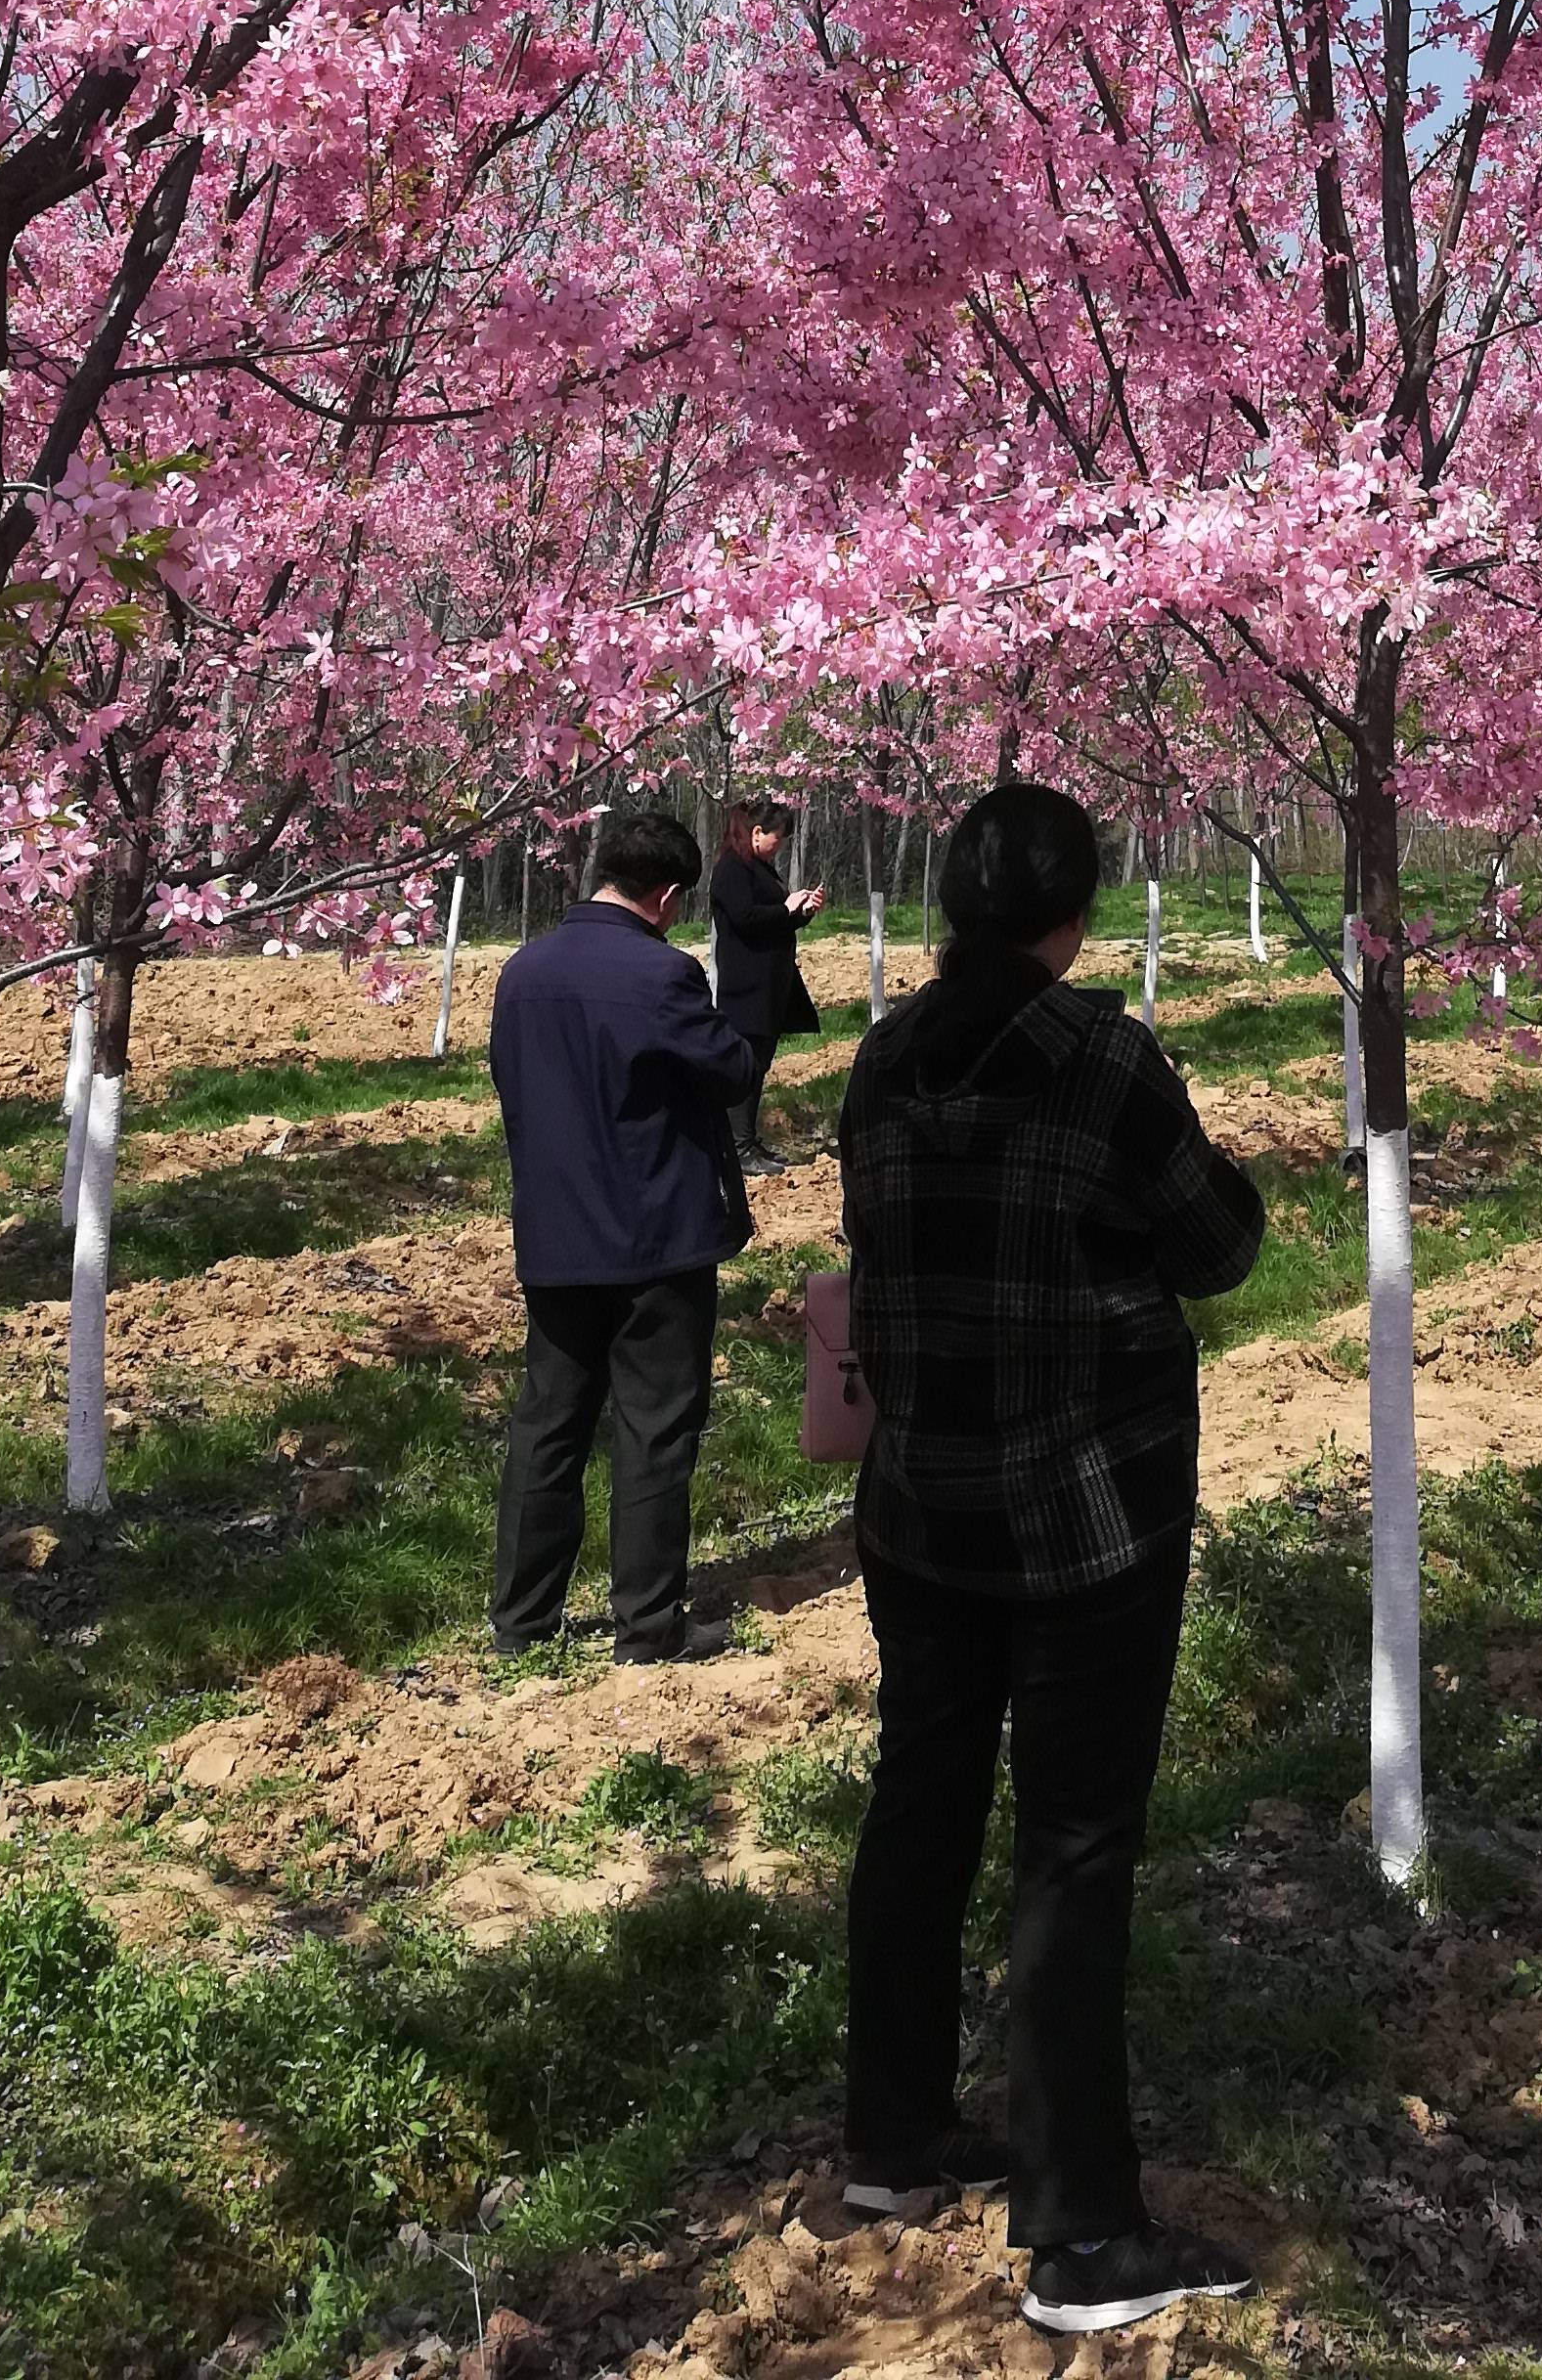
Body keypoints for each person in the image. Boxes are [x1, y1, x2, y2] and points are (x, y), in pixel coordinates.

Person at [835, 778, 1265, 2339]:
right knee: (1075, 1846)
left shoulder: (882, 1058)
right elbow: (1219, 1245)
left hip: (918, 1510)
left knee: (922, 1802)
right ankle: (1082, 2237)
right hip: (1088, 1516)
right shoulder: (1103, 1061)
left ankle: (890, 2133)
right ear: (1073, 913)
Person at [485, 793, 751, 1661]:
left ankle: (522, 1623)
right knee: (655, 1425)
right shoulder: (661, 973)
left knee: (548, 1426)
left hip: (557, 1234)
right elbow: (729, 1068)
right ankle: (647, 1625)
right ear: (669, 898)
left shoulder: (523, 972)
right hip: (655, 1236)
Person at [707, 791, 825, 1171]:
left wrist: (800, 912)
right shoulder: (731, 869)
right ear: (757, 832)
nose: (781, 846)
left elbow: (773, 919)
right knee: (747, 1066)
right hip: (747, 987)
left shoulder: (757, 868)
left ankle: (748, 1142)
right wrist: (784, 908)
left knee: (760, 1065)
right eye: (779, 838)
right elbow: (745, 918)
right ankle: (738, 1148)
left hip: (769, 986)